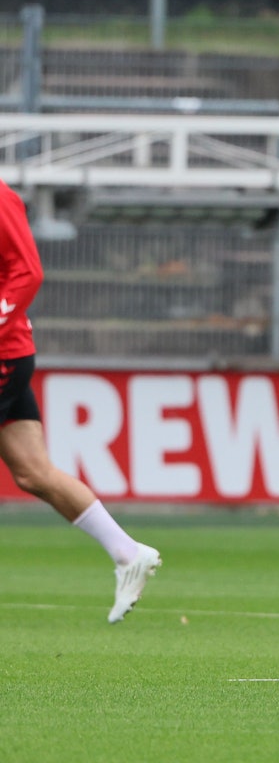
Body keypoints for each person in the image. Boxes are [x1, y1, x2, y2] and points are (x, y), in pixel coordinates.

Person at [0, 179, 161, 623]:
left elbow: (28, 272)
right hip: (11, 353)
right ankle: (128, 553)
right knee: (33, 472)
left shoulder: (0, 199)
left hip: (2, 354)